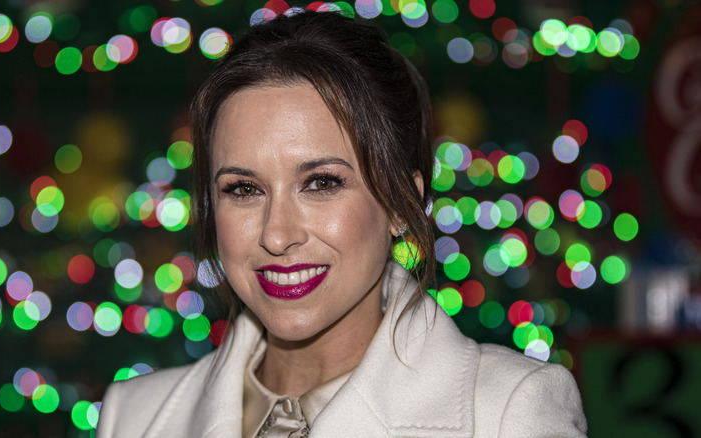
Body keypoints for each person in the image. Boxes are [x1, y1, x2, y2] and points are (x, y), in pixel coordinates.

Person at [95, 10, 587, 438]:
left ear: (401, 202)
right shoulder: (133, 415)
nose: (276, 234)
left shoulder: (509, 411)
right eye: (243, 189)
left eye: (322, 183)